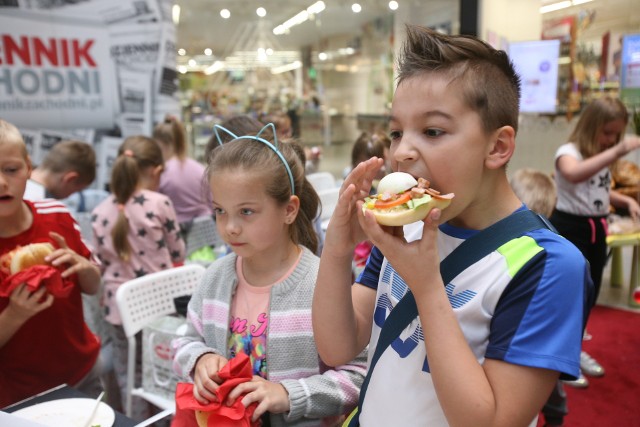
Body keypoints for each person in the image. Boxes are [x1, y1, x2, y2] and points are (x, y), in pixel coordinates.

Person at [312, 25, 593, 426]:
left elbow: (492, 420)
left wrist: (426, 285)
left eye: (432, 131)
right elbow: (337, 346)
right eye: (396, 132)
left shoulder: (548, 266)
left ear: (497, 147)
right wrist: (338, 248)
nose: (402, 152)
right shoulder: (407, 228)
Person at [173, 127, 366, 426]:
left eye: (246, 211)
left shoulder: (321, 284)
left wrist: (290, 394)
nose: (230, 227)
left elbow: (358, 375)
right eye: (220, 211)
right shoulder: (215, 279)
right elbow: (185, 341)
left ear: (288, 210)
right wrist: (199, 359)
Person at [0, 119, 102, 407]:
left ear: (29, 168)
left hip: (82, 373)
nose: (2, 182)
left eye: (11, 169)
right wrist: (15, 314)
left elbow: (93, 287)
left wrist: (84, 268)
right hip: (17, 395)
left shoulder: (57, 215)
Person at [91, 135, 185, 421]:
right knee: (164, 369)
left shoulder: (98, 212)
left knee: (128, 371)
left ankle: (136, 421)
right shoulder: (159, 204)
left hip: (119, 311)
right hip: (161, 308)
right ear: (157, 171)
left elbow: (101, 262)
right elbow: (178, 251)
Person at [549, 96, 640, 387]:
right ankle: (560, 361)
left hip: (597, 228)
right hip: (570, 228)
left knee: (589, 293)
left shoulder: (599, 156)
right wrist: (617, 152)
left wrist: (624, 199)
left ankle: (573, 352)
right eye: (607, 133)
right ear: (591, 127)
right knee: (570, 296)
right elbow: (573, 174)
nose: (611, 140)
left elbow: (595, 189)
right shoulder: (569, 152)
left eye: (617, 135)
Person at [510, 168, 567, 427]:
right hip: (541, 335)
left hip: (523, 331)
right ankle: (556, 415)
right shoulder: (556, 241)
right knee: (547, 375)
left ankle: (555, 414)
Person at [153, 115, 213, 226]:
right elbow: (212, 202)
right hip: (206, 229)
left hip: (177, 232)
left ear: (162, 145)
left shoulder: (162, 173)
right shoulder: (199, 168)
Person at [24, 139, 96, 201]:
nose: (70, 196)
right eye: (75, 191)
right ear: (70, 179)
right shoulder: (45, 205)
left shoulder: (17, 182)